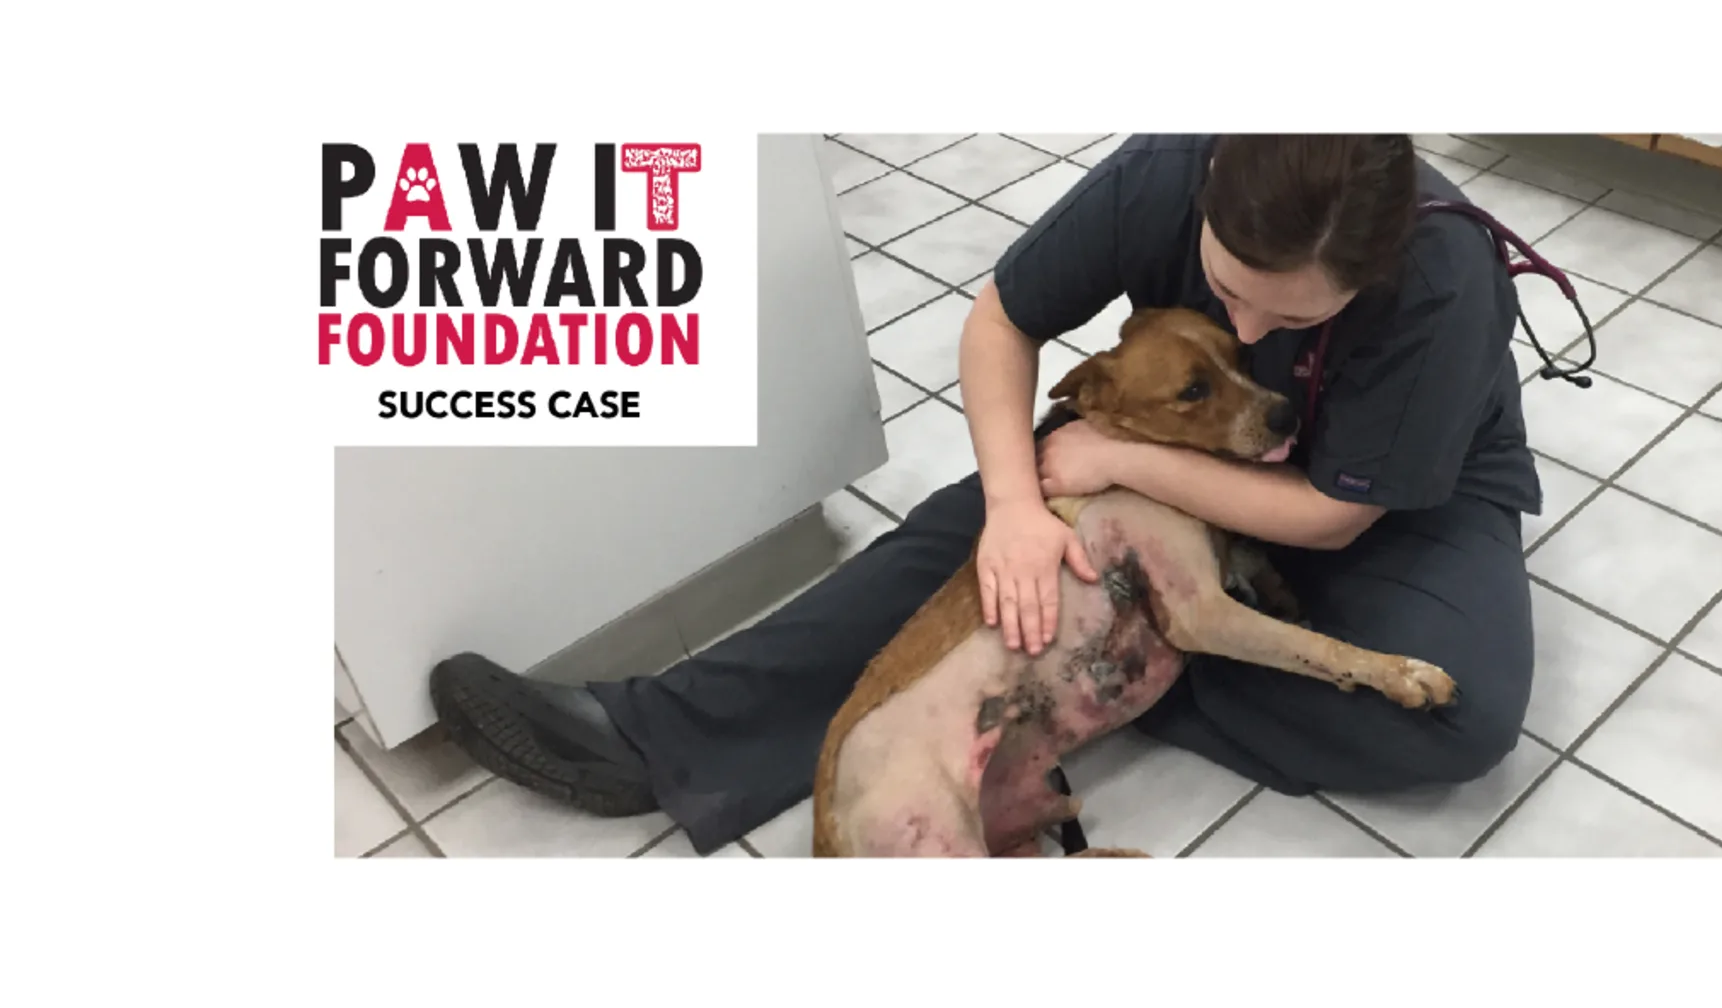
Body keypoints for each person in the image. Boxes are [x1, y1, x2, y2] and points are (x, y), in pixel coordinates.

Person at [431, 134, 1551, 855]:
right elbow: (1000, 321)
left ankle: (1122, 666)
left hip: (1376, 496)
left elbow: (1334, 514)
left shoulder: (1444, 286)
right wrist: (1017, 506)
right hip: (1167, 448)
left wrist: (1125, 469)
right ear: (1205, 199)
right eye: (1225, 294)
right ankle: (656, 732)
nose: (1252, 337)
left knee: (1462, 721)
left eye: (1295, 323)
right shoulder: (1165, 171)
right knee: (965, 553)